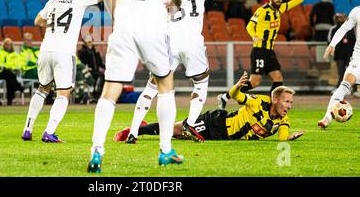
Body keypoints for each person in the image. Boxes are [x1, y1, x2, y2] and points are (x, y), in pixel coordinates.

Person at [123, 0, 267, 144]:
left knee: (151, 87)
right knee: (200, 84)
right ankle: (190, 123)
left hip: (168, 43)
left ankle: (133, 132)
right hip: (192, 43)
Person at [87, 0, 183, 173]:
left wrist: (117, 17)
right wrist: (177, 4)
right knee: (165, 85)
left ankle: (97, 149)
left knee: (110, 91)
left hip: (124, 28)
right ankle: (165, 150)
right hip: (153, 27)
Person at [217, 0, 325, 109]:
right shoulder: (262, 11)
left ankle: (271, 107)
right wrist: (254, 36)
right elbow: (250, 25)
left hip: (269, 51)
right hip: (259, 50)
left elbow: (297, 0)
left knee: (278, 77)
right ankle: (226, 96)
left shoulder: (280, 9)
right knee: (255, 82)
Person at [21, 0, 103, 143]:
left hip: (45, 50)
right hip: (63, 53)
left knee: (42, 89)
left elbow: (38, 21)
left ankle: (27, 129)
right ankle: (49, 132)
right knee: (63, 93)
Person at [114, 72, 304, 142]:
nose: (289, 106)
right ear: (275, 100)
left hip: (223, 138)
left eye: (291, 103)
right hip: (217, 123)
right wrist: (237, 87)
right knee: (177, 130)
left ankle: (142, 127)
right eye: (287, 101)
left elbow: (282, 138)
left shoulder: (283, 120)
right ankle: (134, 130)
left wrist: (289, 138)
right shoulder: (258, 102)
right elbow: (237, 96)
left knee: (180, 136)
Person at [319, 6, 360, 129]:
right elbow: (343, 29)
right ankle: (327, 118)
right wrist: (332, 44)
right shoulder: (357, 11)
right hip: (358, 58)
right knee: (344, 86)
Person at [328, 13, 356, 86]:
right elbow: (329, 41)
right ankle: (339, 88)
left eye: (342, 17)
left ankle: (354, 89)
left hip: (350, 54)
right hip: (339, 55)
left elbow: (356, 40)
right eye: (338, 18)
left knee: (352, 72)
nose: (340, 19)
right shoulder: (333, 29)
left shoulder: (351, 28)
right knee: (341, 72)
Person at [0, 38, 24, 106]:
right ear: (3, 45)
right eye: (6, 44)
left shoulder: (15, 54)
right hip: (0, 73)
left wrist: (12, 68)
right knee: (9, 75)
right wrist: (6, 67)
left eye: (10, 44)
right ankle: (18, 87)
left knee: (9, 77)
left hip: (10, 73)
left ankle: (10, 100)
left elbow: (18, 65)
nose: (8, 46)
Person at [77, 35, 105, 102]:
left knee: (103, 75)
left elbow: (100, 64)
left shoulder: (95, 52)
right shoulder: (82, 52)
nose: (89, 42)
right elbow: (81, 63)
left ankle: (98, 94)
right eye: (88, 40)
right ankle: (93, 94)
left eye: (90, 40)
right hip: (88, 71)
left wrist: (108, 68)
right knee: (100, 76)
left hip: (96, 71)